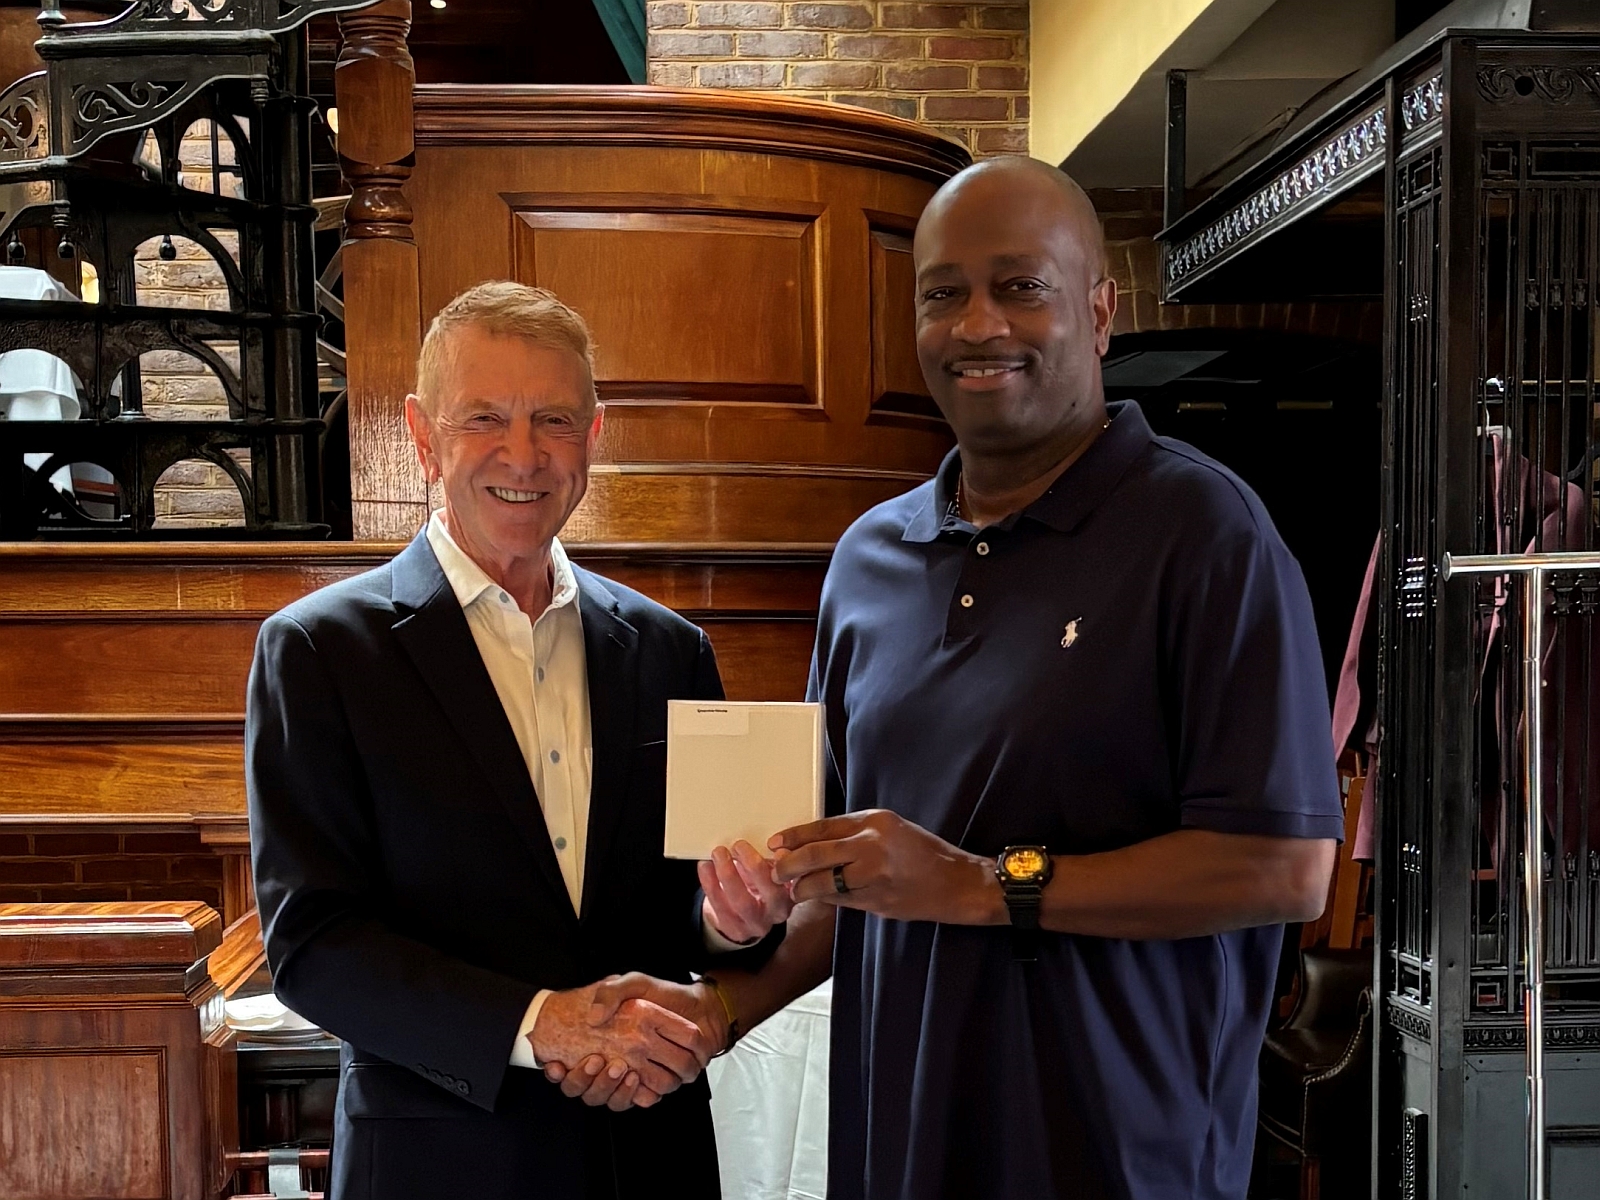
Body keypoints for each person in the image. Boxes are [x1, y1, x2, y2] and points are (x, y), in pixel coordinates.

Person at [590, 156, 1343, 1199]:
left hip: (1119, 1152)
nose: (978, 325)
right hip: (898, 1146)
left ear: (1099, 310)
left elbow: (1283, 869)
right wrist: (721, 1006)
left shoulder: (1206, 534)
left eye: (1020, 286)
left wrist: (983, 887)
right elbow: (851, 881)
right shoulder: (868, 560)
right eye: (943, 294)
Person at [246, 281, 790, 1200]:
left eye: (555, 421)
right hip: (439, 1166)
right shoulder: (317, 651)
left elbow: (686, 914)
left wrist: (728, 918)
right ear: (422, 437)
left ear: (594, 436)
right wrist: (541, 1023)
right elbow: (314, 946)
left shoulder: (670, 651)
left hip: (646, 1158)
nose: (524, 454)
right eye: (485, 418)